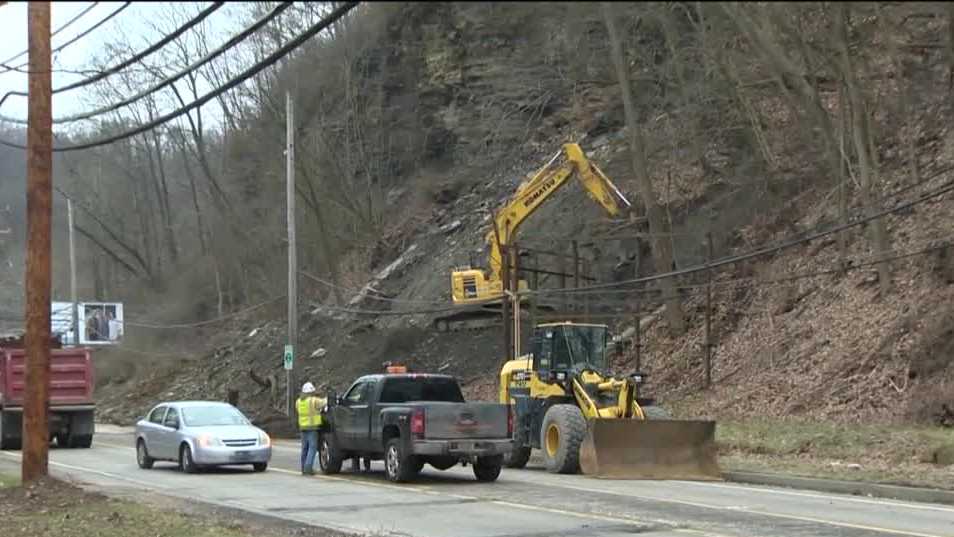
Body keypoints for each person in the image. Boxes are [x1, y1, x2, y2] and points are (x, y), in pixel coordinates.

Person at [296, 381, 326, 476]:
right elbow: (324, 403)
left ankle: (303, 468)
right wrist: (326, 397)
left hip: (302, 427)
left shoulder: (298, 401)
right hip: (312, 427)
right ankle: (308, 468)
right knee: (312, 448)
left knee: (304, 448)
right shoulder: (313, 400)